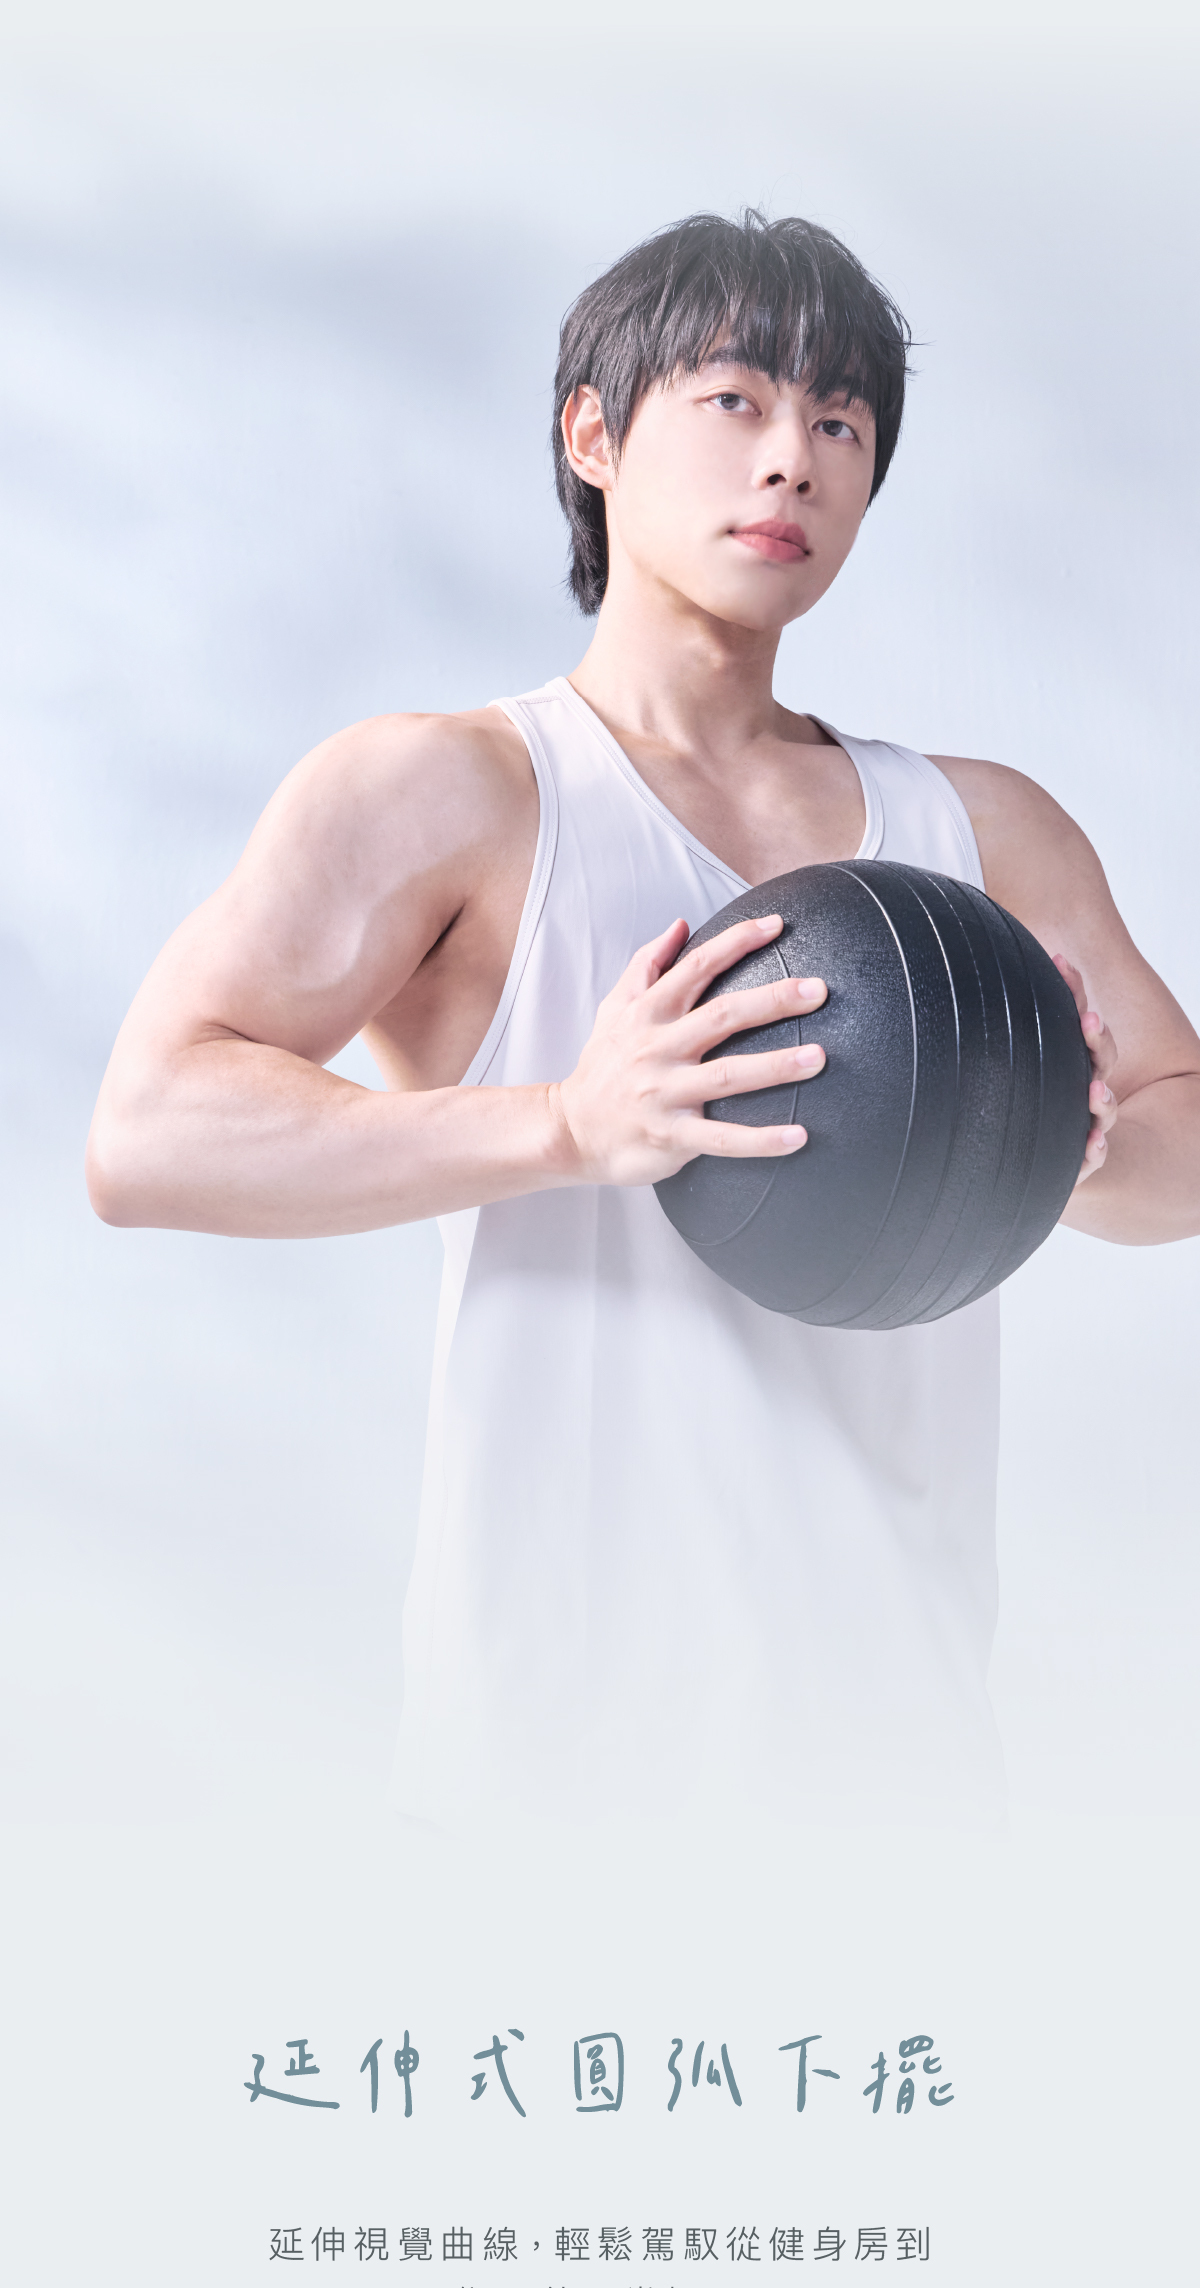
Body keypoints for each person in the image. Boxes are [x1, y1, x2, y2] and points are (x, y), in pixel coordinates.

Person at [84, 207, 1200, 1829]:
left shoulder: (985, 832)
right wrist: (565, 1123)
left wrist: (1065, 1144)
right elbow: (147, 1134)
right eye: (736, 400)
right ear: (594, 437)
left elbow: (1183, 1131)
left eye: (841, 423)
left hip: (904, 1768)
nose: (793, 459)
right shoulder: (449, 791)